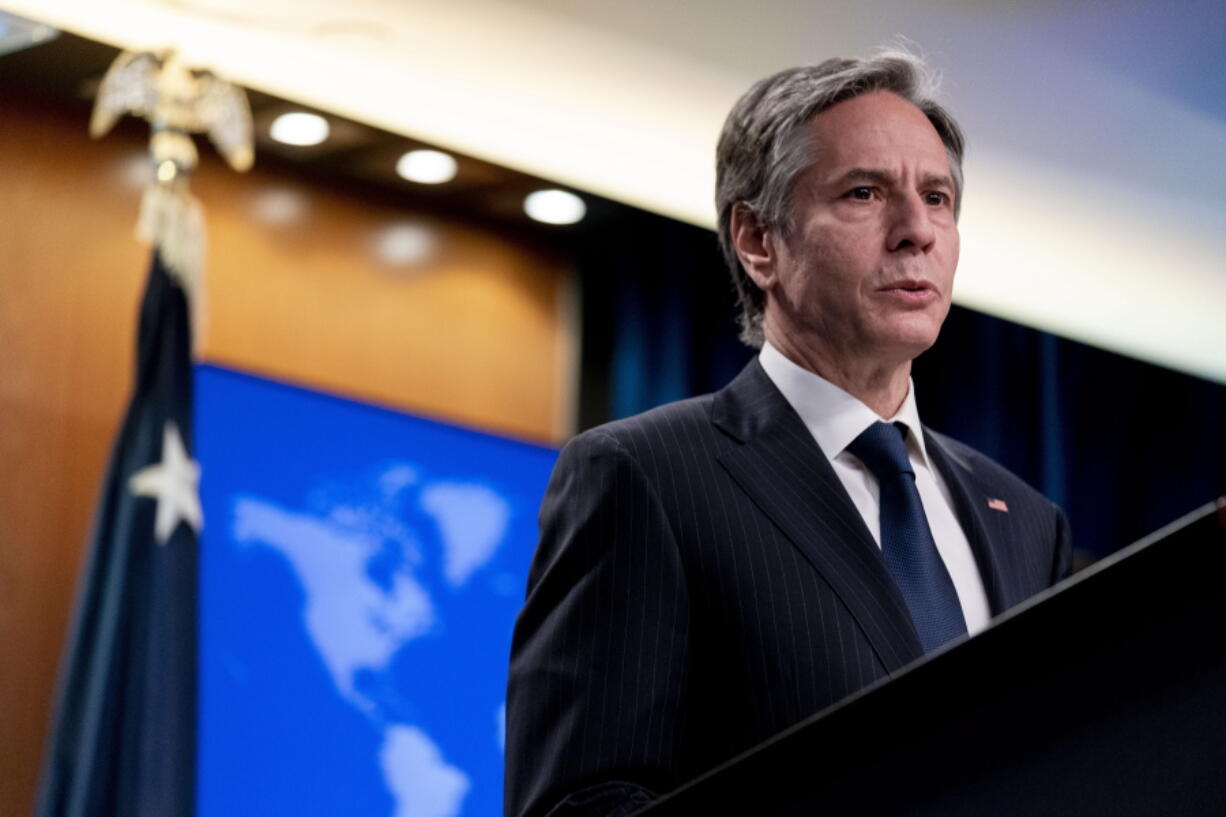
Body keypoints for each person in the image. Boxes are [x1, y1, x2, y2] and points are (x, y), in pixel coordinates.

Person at [505, 49, 1072, 817]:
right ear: (758, 241)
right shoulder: (646, 475)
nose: (918, 231)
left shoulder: (1026, 523)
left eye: (937, 197)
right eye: (865, 192)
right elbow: (580, 803)